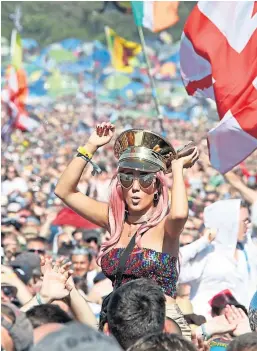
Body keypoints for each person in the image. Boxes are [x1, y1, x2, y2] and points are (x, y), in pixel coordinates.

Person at [55, 123, 199, 338]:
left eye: (145, 178)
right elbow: (64, 191)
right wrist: (90, 146)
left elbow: (179, 214)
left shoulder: (165, 226)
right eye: (127, 177)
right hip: (119, 322)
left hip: (162, 324)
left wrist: (176, 170)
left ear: (158, 185)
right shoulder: (114, 220)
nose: (135, 186)